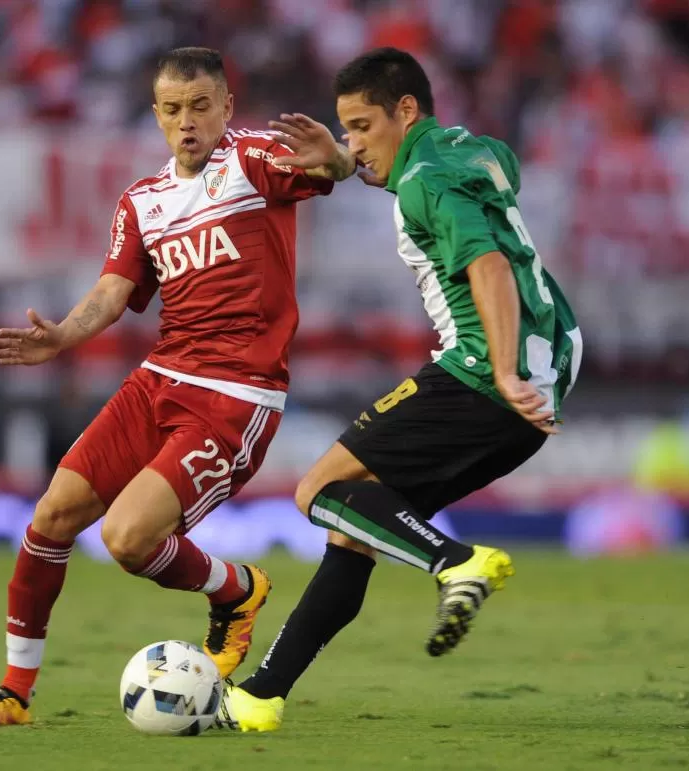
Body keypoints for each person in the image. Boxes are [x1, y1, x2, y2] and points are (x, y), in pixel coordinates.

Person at [0, 46, 352, 728]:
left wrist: (334, 157)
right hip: (159, 378)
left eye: (200, 107)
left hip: (236, 394)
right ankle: (15, 691)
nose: (186, 123)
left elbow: (331, 168)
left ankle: (236, 591)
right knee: (51, 517)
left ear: (226, 105)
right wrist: (64, 336)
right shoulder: (142, 201)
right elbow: (112, 292)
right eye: (171, 110)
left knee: (129, 540)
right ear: (155, 114)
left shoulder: (251, 162)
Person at [218, 47, 582, 732]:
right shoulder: (468, 151)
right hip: (547, 371)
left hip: (484, 374)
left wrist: (499, 368)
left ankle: (455, 561)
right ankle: (262, 693)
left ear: (405, 111)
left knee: (318, 490)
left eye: (360, 127)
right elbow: (490, 169)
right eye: (346, 129)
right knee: (357, 527)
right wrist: (344, 158)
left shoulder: (422, 183)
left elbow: (489, 265)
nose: (353, 145)